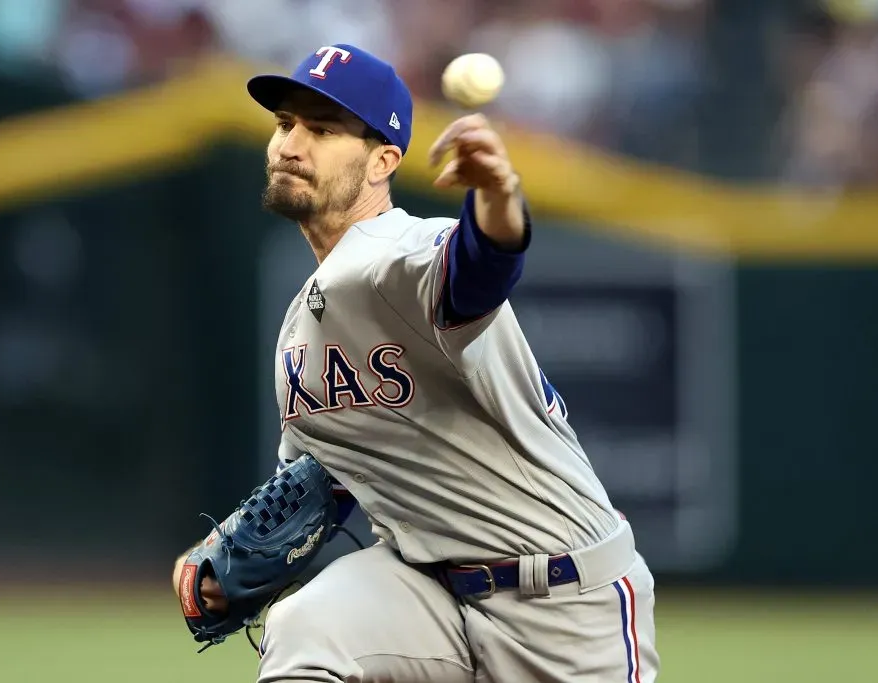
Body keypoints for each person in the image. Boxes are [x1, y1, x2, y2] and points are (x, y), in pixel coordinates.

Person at [175, 43, 660, 683]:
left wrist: (497, 199)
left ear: (384, 161)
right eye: (285, 124)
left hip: (563, 601)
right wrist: (240, 551)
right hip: (430, 595)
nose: (292, 144)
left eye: (321, 129)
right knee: (306, 626)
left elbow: (475, 272)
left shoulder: (395, 250)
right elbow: (326, 491)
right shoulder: (300, 332)